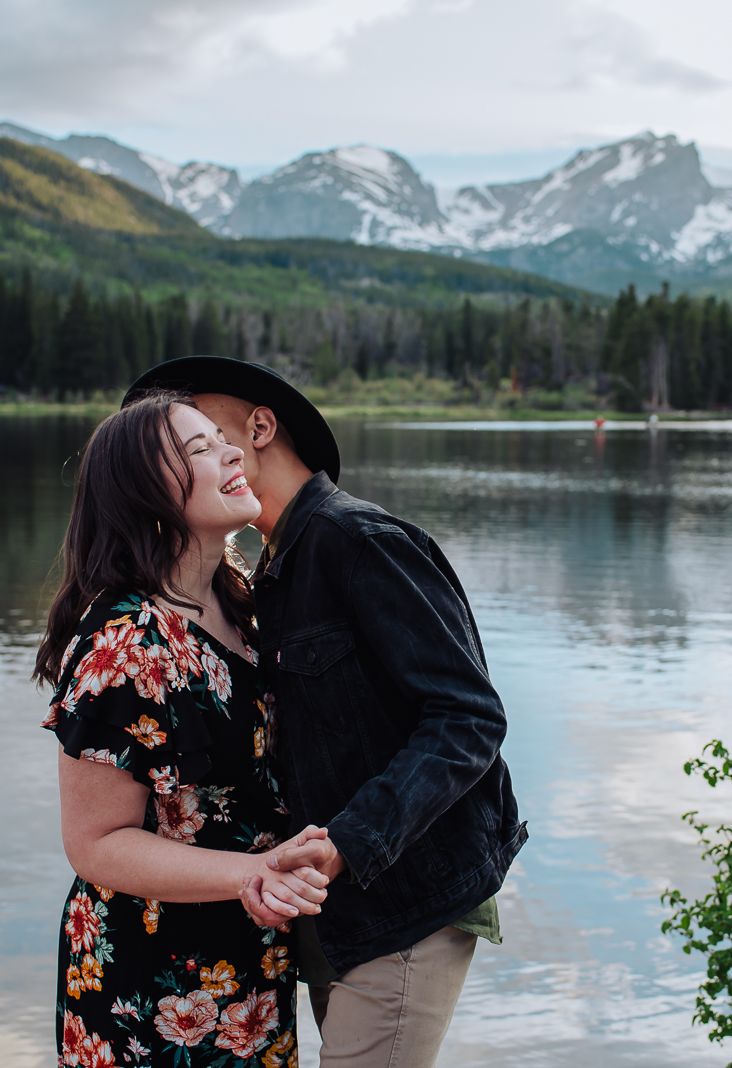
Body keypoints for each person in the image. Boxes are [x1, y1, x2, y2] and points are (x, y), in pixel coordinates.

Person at [122, 357, 528, 1068]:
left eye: (207, 432)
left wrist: (349, 839)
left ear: (260, 426)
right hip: (327, 912)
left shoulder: (357, 541)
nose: (200, 453)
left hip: (404, 901)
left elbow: (468, 717)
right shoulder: (266, 574)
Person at [33, 391, 338, 1068]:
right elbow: (95, 844)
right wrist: (251, 873)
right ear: (146, 492)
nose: (234, 451)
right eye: (201, 449)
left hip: (247, 960)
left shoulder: (243, 605)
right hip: (149, 981)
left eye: (222, 438)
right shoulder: (127, 643)